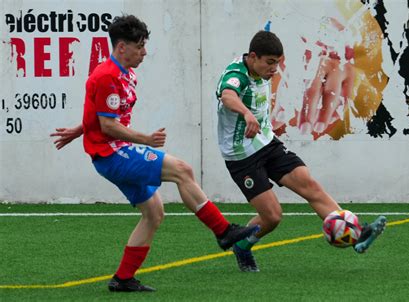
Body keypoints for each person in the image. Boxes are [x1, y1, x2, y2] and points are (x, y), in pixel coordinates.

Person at [51, 14, 259, 292]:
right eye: (139, 46)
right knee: (182, 170)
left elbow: (99, 114)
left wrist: (77, 131)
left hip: (114, 151)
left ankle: (123, 278)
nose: (144, 52)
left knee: (154, 212)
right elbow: (108, 125)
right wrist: (146, 140)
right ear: (121, 46)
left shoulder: (125, 74)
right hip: (112, 155)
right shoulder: (105, 76)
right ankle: (223, 231)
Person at [215, 30, 386, 272]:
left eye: (278, 62)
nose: (274, 68)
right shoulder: (236, 74)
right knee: (272, 216)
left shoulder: (261, 69)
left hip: (266, 143)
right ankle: (242, 245)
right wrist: (246, 113)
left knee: (309, 183)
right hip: (242, 155)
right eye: (270, 62)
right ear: (253, 57)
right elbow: (227, 96)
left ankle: (356, 232)